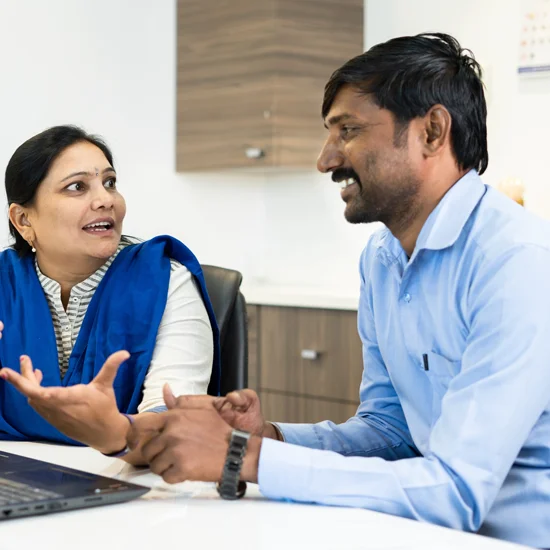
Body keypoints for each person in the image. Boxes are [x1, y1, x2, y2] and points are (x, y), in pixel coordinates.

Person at [124, 33, 550, 548]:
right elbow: (391, 433)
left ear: (432, 132)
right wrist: (269, 437)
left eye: (347, 131)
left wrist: (246, 458)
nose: (326, 159)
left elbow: (456, 491)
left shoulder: (516, 263)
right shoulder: (382, 258)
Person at [0, 125, 220, 465]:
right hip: (15, 479)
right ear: (24, 219)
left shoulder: (164, 280)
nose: (106, 200)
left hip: (133, 483)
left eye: (110, 182)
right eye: (77, 187)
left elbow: (176, 422)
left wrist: (119, 431)